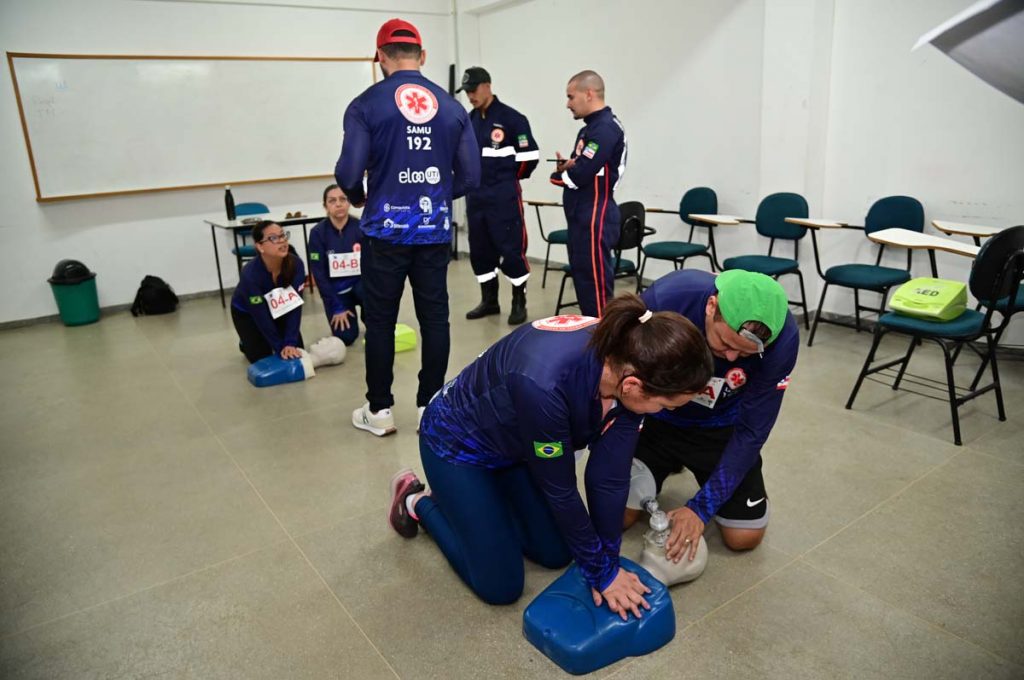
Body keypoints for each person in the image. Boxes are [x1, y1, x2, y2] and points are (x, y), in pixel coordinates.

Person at [387, 294, 714, 618]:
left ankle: (483, 507)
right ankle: (418, 502)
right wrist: (601, 573)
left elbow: (609, 478)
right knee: (501, 586)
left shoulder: (633, 358)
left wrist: (607, 564)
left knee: (557, 553)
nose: (665, 413)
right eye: (666, 405)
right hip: (456, 446)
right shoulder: (546, 383)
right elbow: (561, 491)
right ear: (632, 386)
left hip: (517, 449)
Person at [335, 18, 480, 437]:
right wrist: (437, 196)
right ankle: (429, 408)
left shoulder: (365, 105)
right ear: (423, 56)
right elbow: (471, 176)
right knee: (435, 319)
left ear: (380, 57)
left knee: (380, 321)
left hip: (384, 232)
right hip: (434, 231)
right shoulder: (452, 108)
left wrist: (360, 197)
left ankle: (379, 410)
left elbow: (348, 173)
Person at [624, 269, 799, 567]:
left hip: (720, 427)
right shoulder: (668, 299)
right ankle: (665, 462)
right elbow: (623, 379)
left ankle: (695, 469)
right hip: (657, 419)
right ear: (711, 306)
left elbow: (753, 430)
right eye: (726, 343)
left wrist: (700, 509)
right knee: (618, 517)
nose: (730, 358)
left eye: (744, 354)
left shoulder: (783, 340)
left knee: (743, 537)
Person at [457, 66, 540, 325]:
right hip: (476, 198)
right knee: (480, 250)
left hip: (503, 197)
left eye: (473, 90)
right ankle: (489, 300)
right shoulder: (468, 121)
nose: (470, 96)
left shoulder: (512, 119)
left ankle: (518, 300)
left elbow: (529, 157)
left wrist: (507, 180)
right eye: (467, 92)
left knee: (511, 249)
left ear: (487, 86)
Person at [549, 70, 627, 318]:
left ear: (589, 94)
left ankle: (604, 337)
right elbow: (581, 167)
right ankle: (592, 333)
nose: (568, 104)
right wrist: (568, 168)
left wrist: (559, 175)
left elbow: (580, 174)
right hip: (582, 215)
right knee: (584, 284)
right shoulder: (590, 128)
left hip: (595, 215)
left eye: (571, 97)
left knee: (596, 289)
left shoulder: (605, 129)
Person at [230, 221, 306, 363]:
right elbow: (260, 315)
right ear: (260, 246)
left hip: (280, 308)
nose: (282, 241)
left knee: (297, 349)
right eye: (273, 238)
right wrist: (279, 347)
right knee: (262, 357)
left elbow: (296, 307)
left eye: (282, 235)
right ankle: (245, 342)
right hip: (249, 314)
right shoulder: (249, 274)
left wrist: (289, 342)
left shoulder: (296, 264)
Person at [307, 184, 364, 346]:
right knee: (346, 337)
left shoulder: (361, 227)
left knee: (377, 323)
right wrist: (336, 306)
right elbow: (319, 274)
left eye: (342, 199)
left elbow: (372, 264)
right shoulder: (317, 233)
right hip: (336, 290)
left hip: (361, 285)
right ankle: (343, 311)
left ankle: (370, 317)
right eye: (332, 201)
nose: (338, 204)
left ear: (349, 202)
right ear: (325, 206)